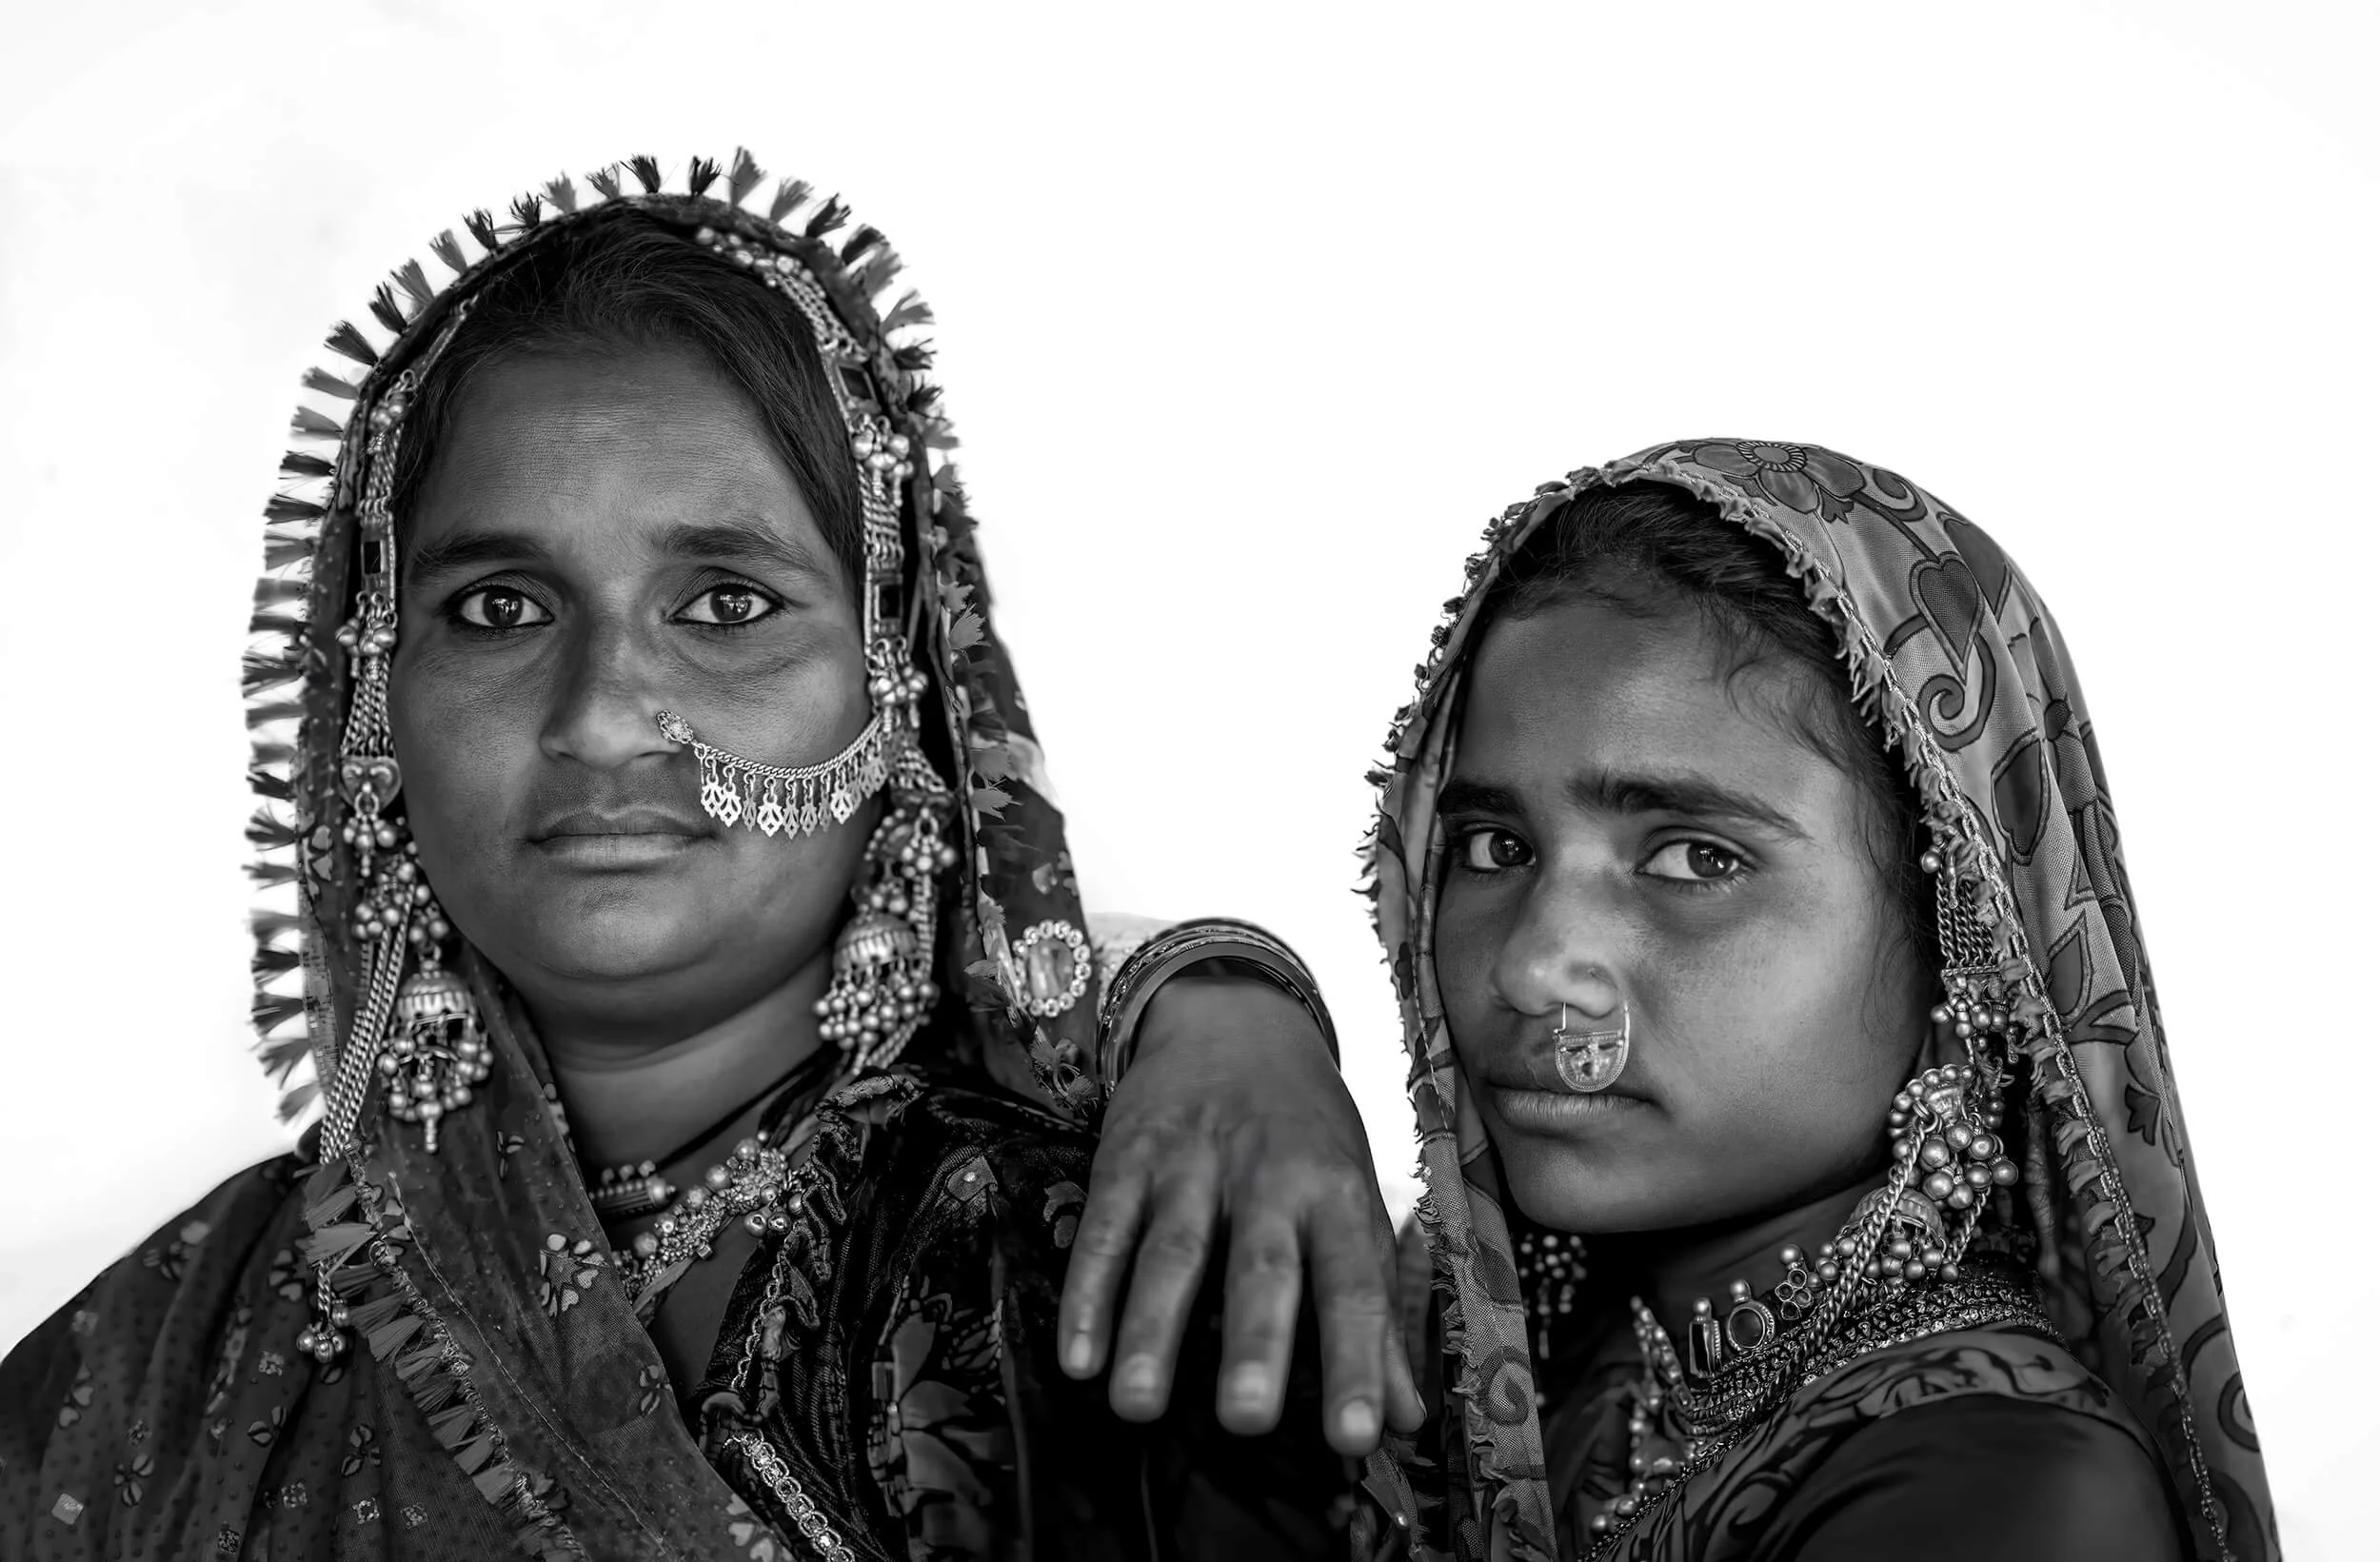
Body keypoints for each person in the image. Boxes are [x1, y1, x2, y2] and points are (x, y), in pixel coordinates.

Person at [0, 153, 1408, 1560]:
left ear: (899, 682)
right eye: (498, 607)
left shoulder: (1090, 1257)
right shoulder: (185, 1346)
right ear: (367, 706)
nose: (606, 716)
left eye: (727, 602)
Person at [1348, 444, 2277, 1561]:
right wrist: (1222, 1001)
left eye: (1694, 860)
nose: (1533, 969)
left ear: (1957, 933)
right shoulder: (1497, 1323)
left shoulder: (1999, 1495)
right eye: (1493, 847)